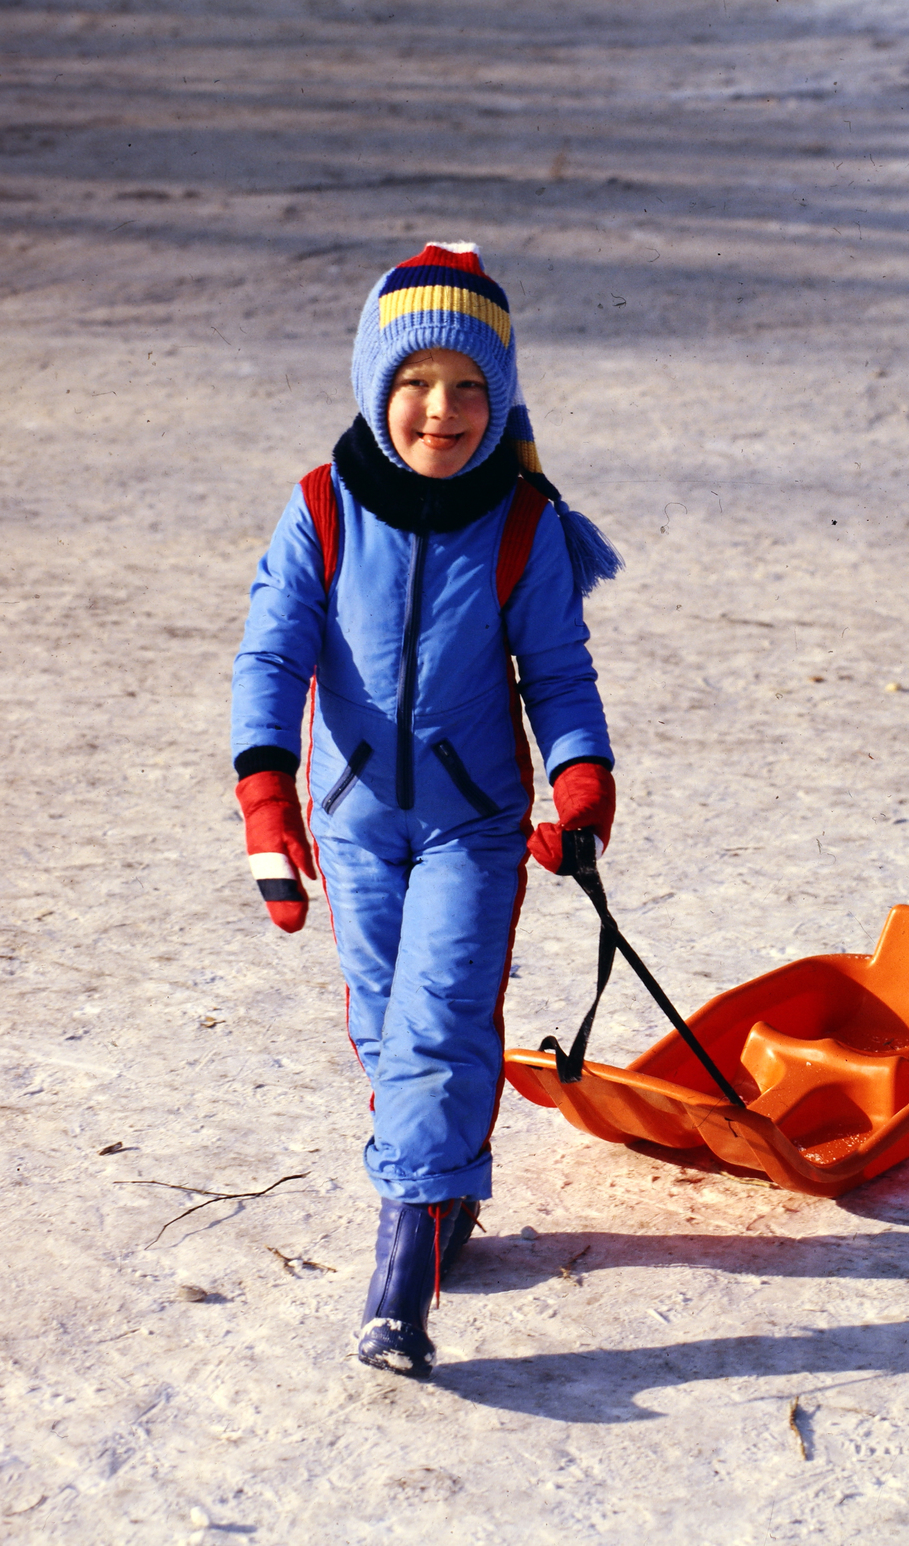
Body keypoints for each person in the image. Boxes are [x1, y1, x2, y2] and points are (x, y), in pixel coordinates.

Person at [229, 241, 620, 1378]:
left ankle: (399, 1276)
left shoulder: (520, 522)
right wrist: (265, 792)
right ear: (371, 382)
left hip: (473, 822)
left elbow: (557, 670)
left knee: (440, 1020)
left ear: (499, 399)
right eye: (413, 383)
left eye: (467, 387)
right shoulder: (322, 506)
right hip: (354, 817)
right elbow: (272, 649)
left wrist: (582, 778)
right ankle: (445, 1188)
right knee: (383, 1025)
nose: (439, 411)